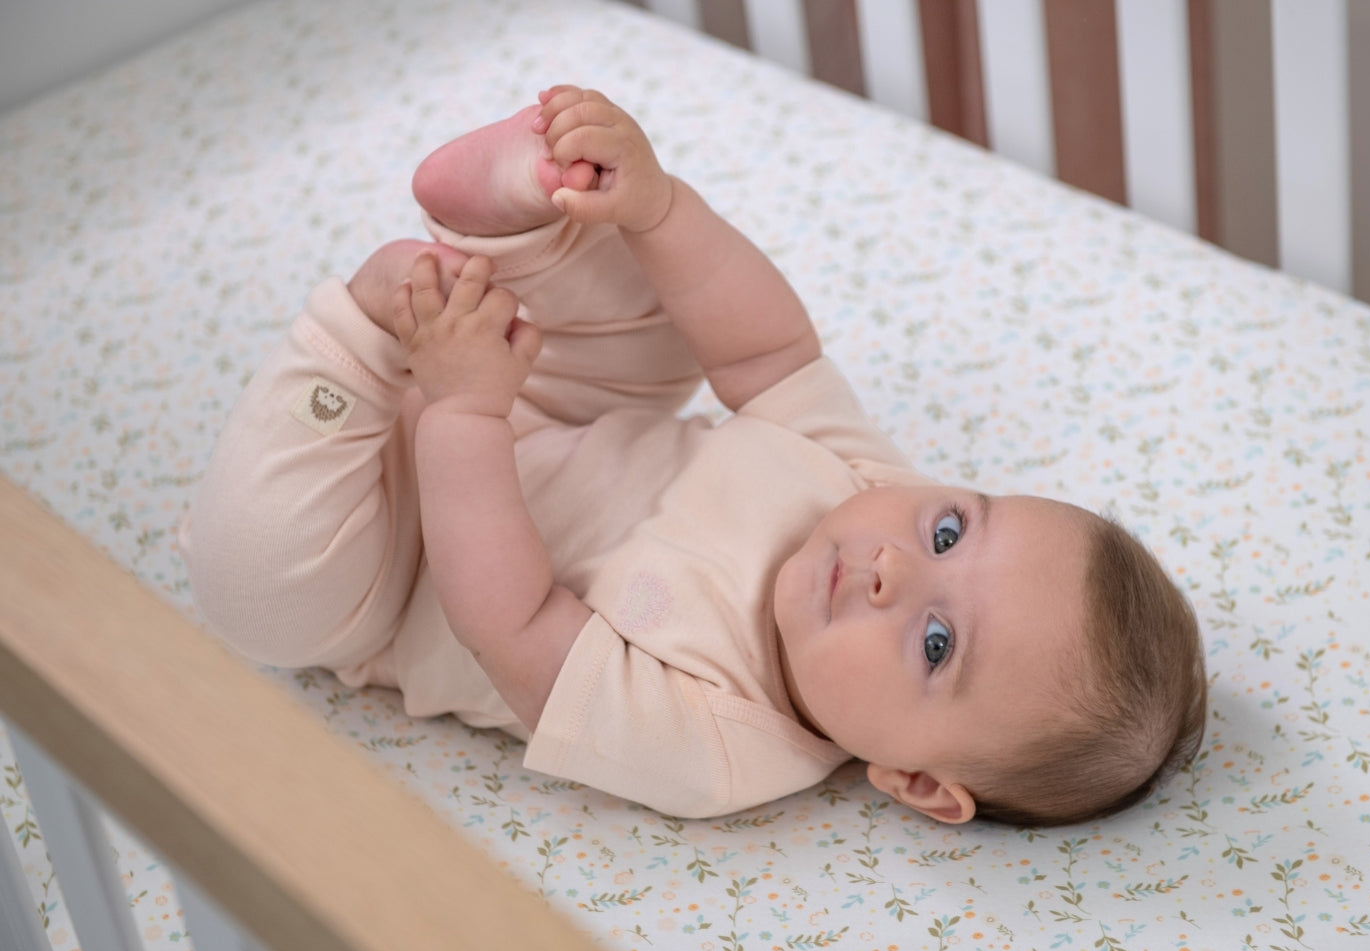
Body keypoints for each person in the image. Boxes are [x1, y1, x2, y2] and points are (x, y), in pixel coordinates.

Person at [183, 86, 1206, 826]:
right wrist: (659, 209)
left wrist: (459, 410)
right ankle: (524, 214)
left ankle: (370, 335)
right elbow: (768, 351)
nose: (895, 566)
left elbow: (509, 620)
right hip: (536, 396)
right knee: (666, 333)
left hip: (384, 576)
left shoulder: (722, 746)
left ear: (918, 783)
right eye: (950, 530)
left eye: (937, 644)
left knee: (261, 598)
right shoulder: (866, 484)